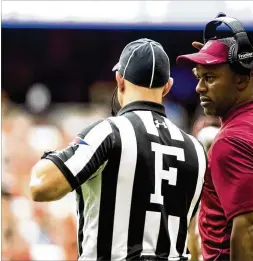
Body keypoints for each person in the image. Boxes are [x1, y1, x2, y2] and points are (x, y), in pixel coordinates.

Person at [29, 38, 207, 261]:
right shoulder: (196, 150)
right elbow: (196, 240)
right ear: (168, 86)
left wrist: (57, 154)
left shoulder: (108, 133)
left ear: (119, 80)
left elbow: (40, 186)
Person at [177, 14, 253, 261]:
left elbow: (249, 227)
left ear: (243, 78)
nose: (199, 88)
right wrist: (219, 59)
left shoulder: (231, 142)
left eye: (210, 78)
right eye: (199, 76)